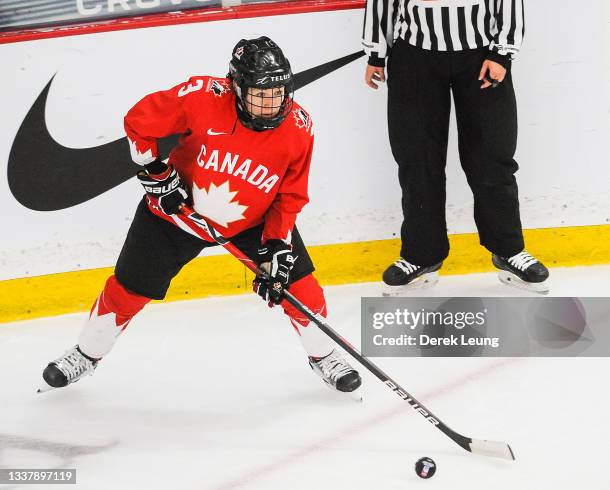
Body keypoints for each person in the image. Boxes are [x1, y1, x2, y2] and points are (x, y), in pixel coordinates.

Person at [40, 36, 362, 394]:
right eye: (260, 94)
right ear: (235, 86)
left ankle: (324, 356)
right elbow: (139, 121)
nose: (271, 104)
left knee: (302, 290)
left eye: (278, 93)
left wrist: (277, 245)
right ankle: (86, 354)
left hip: (252, 223)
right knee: (127, 290)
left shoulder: (299, 128)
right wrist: (153, 171)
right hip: (176, 214)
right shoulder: (202, 96)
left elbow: (291, 195)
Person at [362, 0, 549, 294]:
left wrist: (502, 52)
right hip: (414, 57)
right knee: (417, 159)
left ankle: (508, 249)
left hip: (481, 55)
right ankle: (420, 254)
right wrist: (376, 53)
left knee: (492, 157)